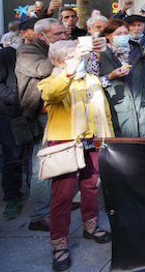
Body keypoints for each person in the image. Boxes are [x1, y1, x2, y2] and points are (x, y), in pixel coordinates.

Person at [38, 40, 114, 272]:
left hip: (93, 140)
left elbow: (105, 113)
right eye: (73, 56)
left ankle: (90, 226)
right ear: (59, 61)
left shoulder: (91, 80)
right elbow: (52, 95)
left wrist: (108, 140)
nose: (80, 59)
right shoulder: (50, 81)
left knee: (90, 187)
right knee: (63, 195)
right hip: (65, 143)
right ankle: (59, 243)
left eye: (80, 56)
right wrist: (70, 70)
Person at [16, 17, 67, 232]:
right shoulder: (27, 51)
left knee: (61, 162)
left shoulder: (59, 46)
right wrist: (68, 54)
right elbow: (42, 69)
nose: (64, 37)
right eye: (58, 35)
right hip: (41, 115)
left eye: (65, 33)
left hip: (62, 112)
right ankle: (39, 215)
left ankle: (57, 203)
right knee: (42, 166)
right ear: (41, 35)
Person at [0, 19, 32, 220]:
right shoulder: (5, 55)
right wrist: (17, 100)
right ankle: (12, 197)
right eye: (36, 31)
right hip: (13, 116)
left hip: (40, 115)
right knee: (12, 159)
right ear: (23, 33)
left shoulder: (46, 53)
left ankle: (40, 197)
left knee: (37, 159)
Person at [95, 18, 145, 137]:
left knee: (144, 138)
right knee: (123, 143)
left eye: (125, 33)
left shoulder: (136, 49)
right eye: (118, 34)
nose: (123, 36)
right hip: (117, 106)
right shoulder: (98, 54)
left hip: (141, 105)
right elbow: (92, 84)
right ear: (108, 35)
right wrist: (111, 76)